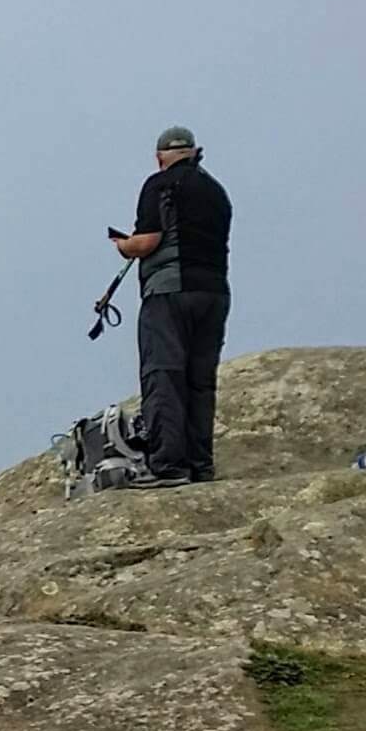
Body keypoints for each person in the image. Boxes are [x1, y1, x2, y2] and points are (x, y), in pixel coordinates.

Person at [109, 125, 233, 487]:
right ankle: (201, 466)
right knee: (200, 381)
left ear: (160, 157)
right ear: (195, 152)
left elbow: (148, 241)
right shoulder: (216, 191)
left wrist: (123, 245)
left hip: (168, 291)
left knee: (164, 374)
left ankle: (168, 467)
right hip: (214, 292)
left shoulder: (159, 184)